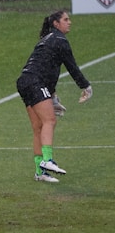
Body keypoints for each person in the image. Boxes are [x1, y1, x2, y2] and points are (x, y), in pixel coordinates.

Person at [16, 10, 92, 183]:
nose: (69, 22)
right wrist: (86, 86)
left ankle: (39, 172)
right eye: (66, 19)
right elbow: (71, 67)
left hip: (24, 81)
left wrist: (52, 97)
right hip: (35, 82)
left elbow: (47, 69)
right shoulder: (60, 41)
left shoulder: (47, 39)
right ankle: (47, 160)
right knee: (50, 121)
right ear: (56, 24)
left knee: (38, 127)